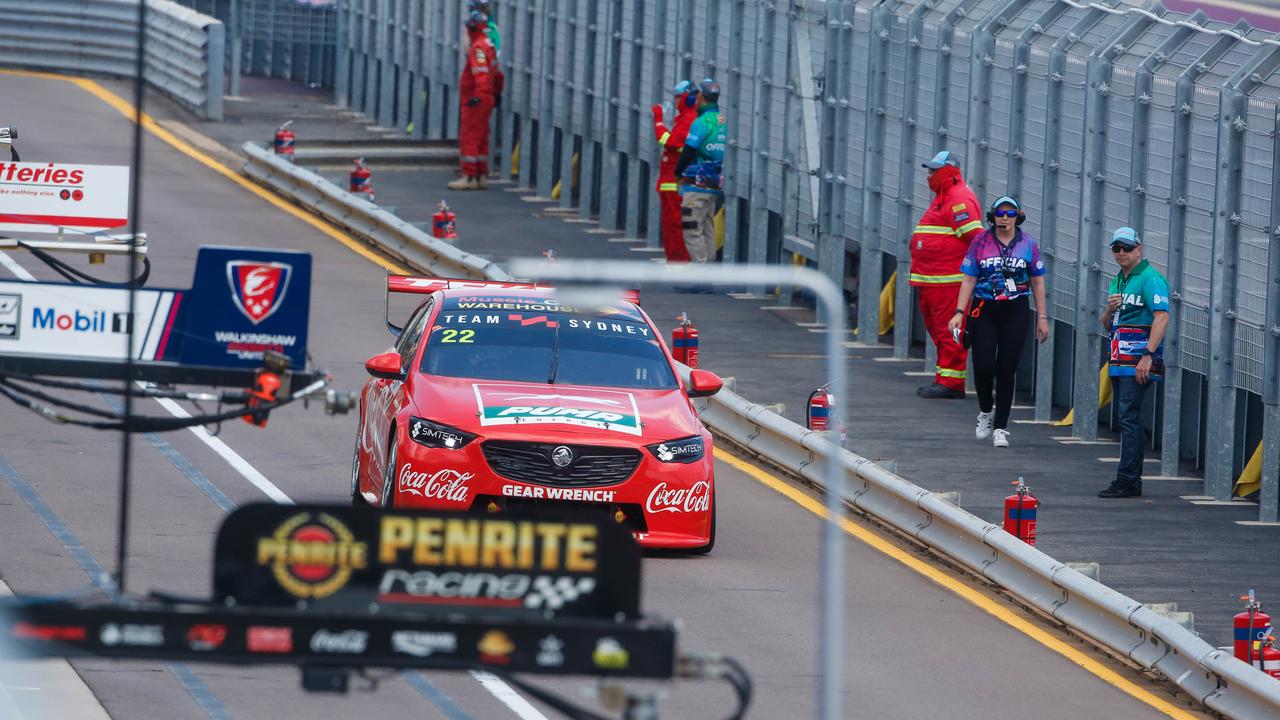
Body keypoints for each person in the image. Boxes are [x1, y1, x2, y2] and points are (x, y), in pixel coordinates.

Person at [947, 197, 1049, 448]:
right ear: (993, 216)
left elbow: (1037, 281)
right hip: (984, 308)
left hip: (1016, 310)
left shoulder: (1028, 244)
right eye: (1000, 213)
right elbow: (969, 278)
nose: (1005, 218)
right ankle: (985, 411)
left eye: (1010, 213)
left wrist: (1042, 318)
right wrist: (960, 311)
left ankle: (1001, 426)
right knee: (982, 366)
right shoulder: (980, 241)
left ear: (1018, 216)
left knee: (1007, 368)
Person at [1097, 227, 1170, 498]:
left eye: (1127, 248)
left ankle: (1128, 480)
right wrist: (1109, 309)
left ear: (1139, 249)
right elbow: (1107, 325)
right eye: (1116, 248)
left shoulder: (1151, 279)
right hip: (1119, 358)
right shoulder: (1117, 281)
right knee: (1126, 416)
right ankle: (1129, 479)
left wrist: (1148, 356)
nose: (1121, 253)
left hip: (1138, 359)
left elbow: (1162, 317)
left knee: (1129, 416)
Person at [911, 150, 985, 399]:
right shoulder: (945, 196)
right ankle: (944, 378)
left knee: (948, 330)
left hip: (948, 281)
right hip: (933, 279)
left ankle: (951, 384)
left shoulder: (958, 197)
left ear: (948, 172)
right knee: (938, 329)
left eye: (933, 171)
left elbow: (975, 238)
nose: (928, 176)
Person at [448, 12, 503, 191]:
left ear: (472, 28)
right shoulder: (489, 45)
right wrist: (496, 93)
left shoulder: (478, 48)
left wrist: (479, 95)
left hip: (476, 99)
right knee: (481, 137)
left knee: (469, 137)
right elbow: (498, 74)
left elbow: (481, 74)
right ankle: (480, 175)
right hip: (486, 97)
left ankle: (469, 176)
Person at [675, 78, 726, 267]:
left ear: (700, 98)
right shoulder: (721, 120)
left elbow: (688, 151)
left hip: (697, 184)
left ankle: (699, 273)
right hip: (714, 184)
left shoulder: (701, 122)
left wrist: (678, 173)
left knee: (692, 227)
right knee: (707, 228)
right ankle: (708, 269)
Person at [650, 81, 698, 263]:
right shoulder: (684, 119)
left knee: (675, 224)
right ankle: (676, 259)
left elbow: (669, 142)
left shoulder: (688, 120)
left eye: (679, 96)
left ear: (689, 98)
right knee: (672, 224)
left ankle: (679, 260)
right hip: (671, 181)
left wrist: (659, 121)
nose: (675, 100)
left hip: (674, 182)